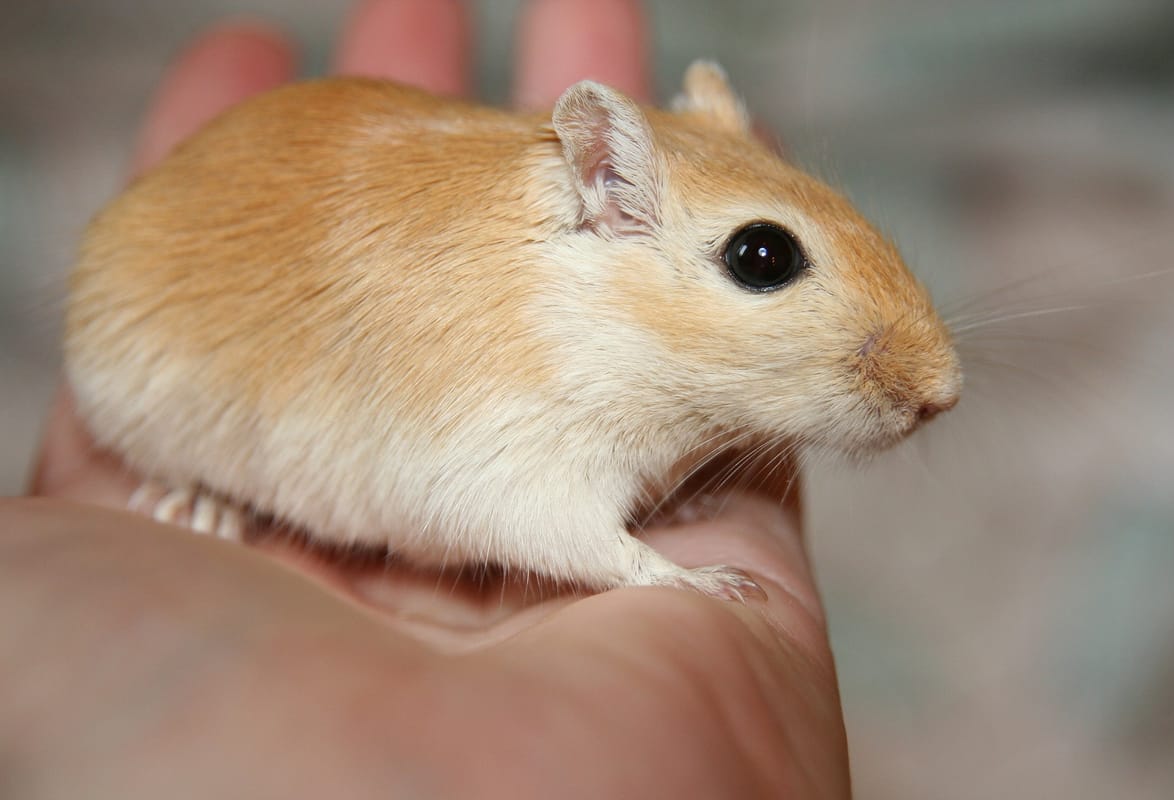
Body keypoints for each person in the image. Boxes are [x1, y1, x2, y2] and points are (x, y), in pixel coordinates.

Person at [2, 1, 850, 796]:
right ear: (605, 190)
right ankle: (192, 473)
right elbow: (483, 498)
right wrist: (642, 568)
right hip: (161, 305)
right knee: (125, 334)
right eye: (761, 261)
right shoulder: (531, 318)